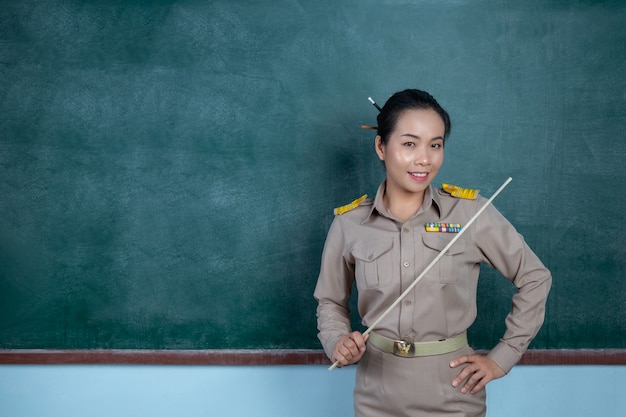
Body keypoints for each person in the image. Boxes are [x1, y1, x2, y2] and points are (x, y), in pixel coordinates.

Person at [313, 89, 552, 417]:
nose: (425, 159)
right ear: (381, 146)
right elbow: (330, 301)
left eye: (435, 145)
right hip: (375, 392)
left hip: (453, 391)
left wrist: (503, 357)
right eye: (409, 144)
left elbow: (535, 277)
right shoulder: (349, 223)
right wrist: (337, 342)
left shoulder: (470, 215)